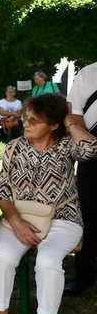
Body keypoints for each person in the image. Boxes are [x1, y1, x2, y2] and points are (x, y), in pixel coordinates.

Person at [0, 94, 97, 314]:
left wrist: (69, 121)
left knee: (48, 261)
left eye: (35, 121)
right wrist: (14, 221)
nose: (26, 124)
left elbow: (92, 148)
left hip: (63, 217)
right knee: (2, 259)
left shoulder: (67, 145)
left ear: (54, 125)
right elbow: (2, 191)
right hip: (20, 216)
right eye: (25, 119)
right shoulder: (15, 148)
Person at [65, 62, 97, 295]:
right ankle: (85, 274)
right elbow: (73, 116)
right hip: (93, 153)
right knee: (89, 213)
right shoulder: (87, 74)